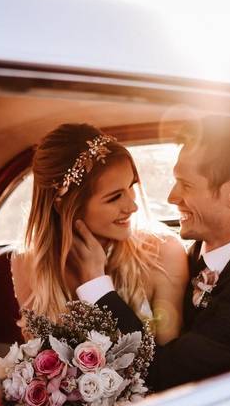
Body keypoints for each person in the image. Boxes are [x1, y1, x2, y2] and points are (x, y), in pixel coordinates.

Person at [71, 115, 230, 392]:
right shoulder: (196, 254)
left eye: (186, 185)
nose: (172, 197)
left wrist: (95, 283)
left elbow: (163, 376)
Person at [10, 123, 188, 345]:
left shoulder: (163, 252)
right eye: (114, 197)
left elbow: (167, 367)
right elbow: (38, 359)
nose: (132, 206)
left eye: (131, 186)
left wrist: (95, 279)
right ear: (66, 206)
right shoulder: (28, 262)